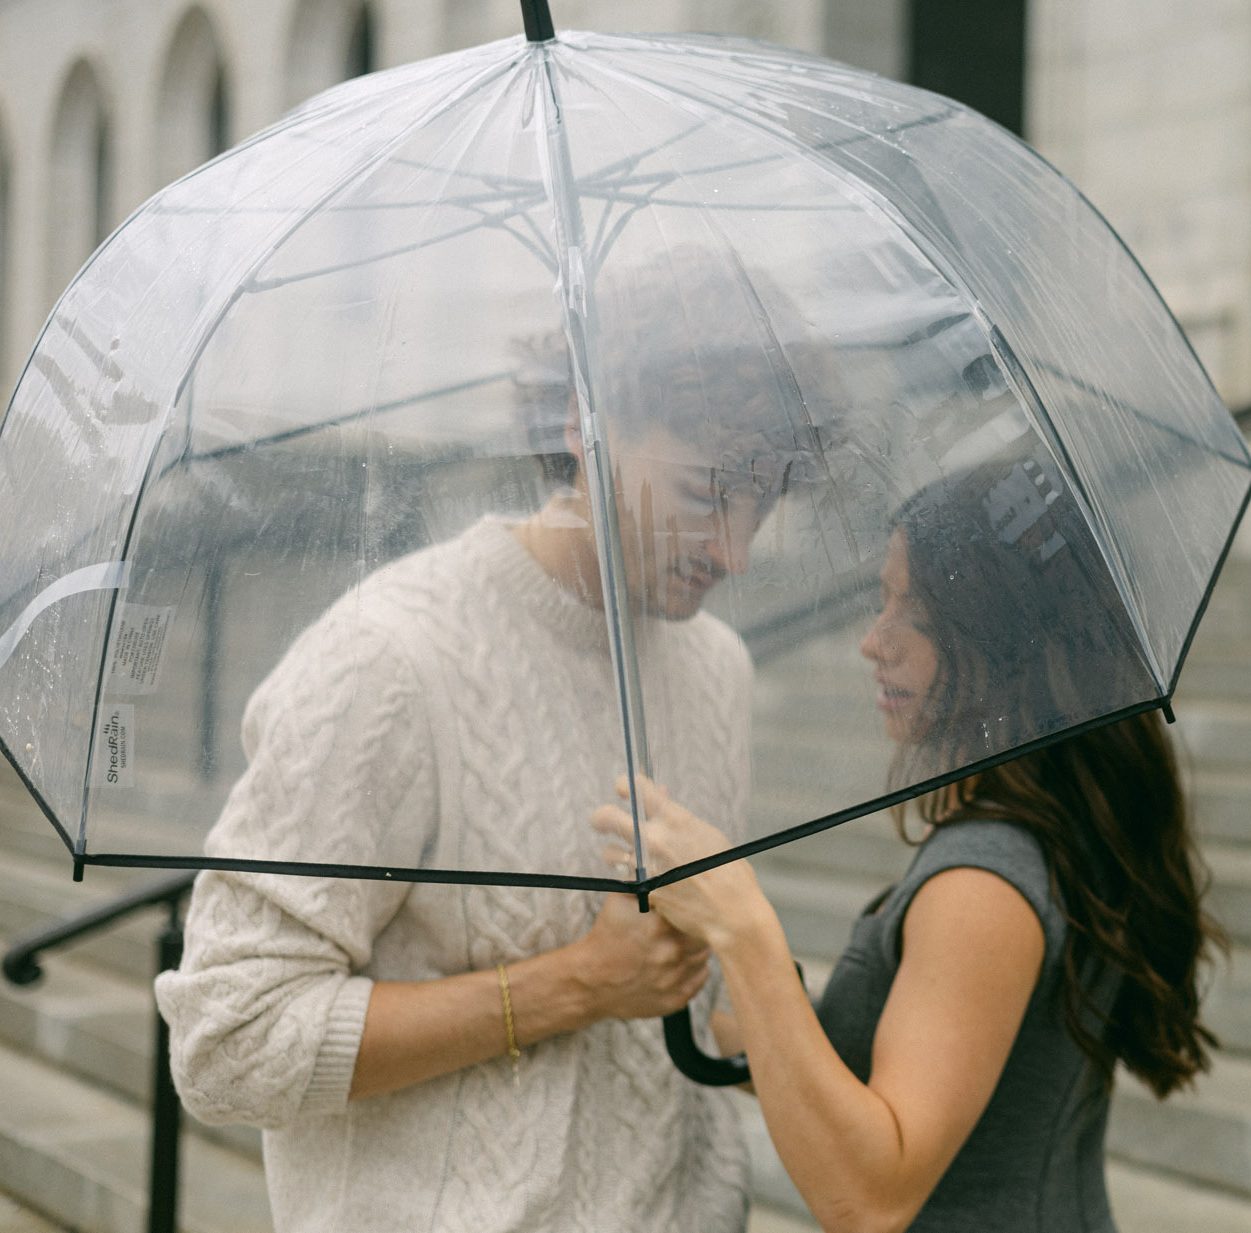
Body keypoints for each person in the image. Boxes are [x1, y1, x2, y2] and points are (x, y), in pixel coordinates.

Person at [154, 253, 832, 1233]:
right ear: (581, 424)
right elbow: (229, 1042)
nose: (733, 549)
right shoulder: (386, 659)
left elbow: (691, 1005)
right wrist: (571, 984)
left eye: (762, 503)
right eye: (703, 493)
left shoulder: (716, 665)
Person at [597, 448, 1224, 1233]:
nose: (874, 641)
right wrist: (630, 986)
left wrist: (743, 926)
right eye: (881, 600)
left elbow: (869, 1196)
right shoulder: (1050, 828)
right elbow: (873, 1071)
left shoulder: (982, 888)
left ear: (1010, 649)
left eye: (918, 617)